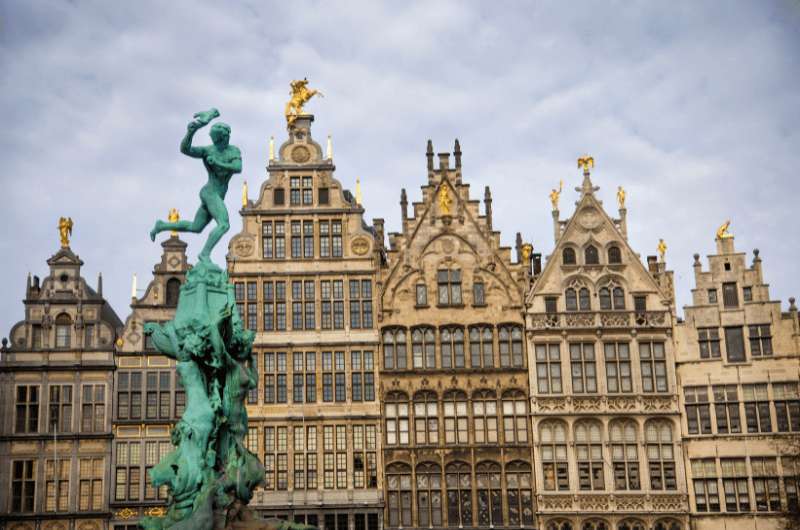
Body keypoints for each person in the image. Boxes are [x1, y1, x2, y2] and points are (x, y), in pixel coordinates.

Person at [150, 111, 242, 261]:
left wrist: (217, 162)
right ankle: (204, 254)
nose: (216, 143)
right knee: (224, 224)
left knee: (195, 227)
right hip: (210, 192)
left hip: (217, 194)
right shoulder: (207, 151)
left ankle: (161, 226)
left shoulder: (233, 151)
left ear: (225, 138)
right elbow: (185, 149)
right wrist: (191, 132)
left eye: (218, 140)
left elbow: (238, 167)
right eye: (214, 140)